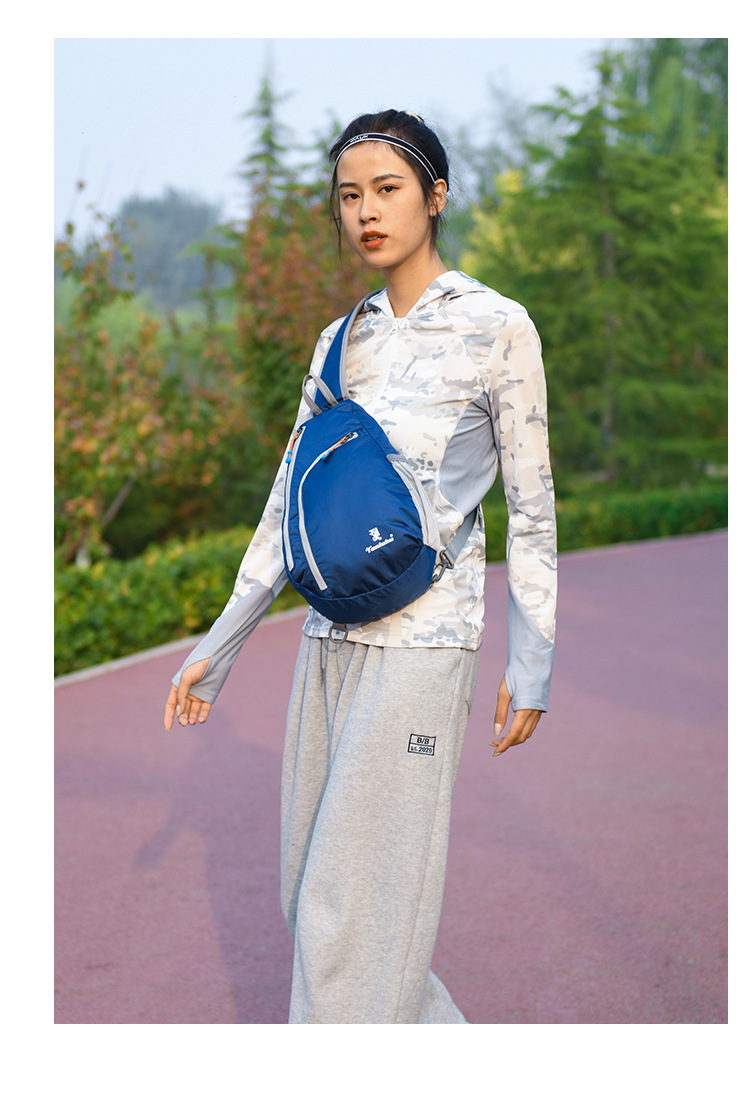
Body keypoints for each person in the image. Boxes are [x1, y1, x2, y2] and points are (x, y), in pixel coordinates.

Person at [164, 109, 557, 1024]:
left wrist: (531, 661)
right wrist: (217, 648)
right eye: (349, 196)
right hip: (330, 636)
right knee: (314, 897)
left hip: (426, 643)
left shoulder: (498, 326)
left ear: (436, 196)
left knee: (352, 911)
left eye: (387, 189)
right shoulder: (341, 341)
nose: (366, 212)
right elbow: (287, 506)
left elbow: (533, 508)